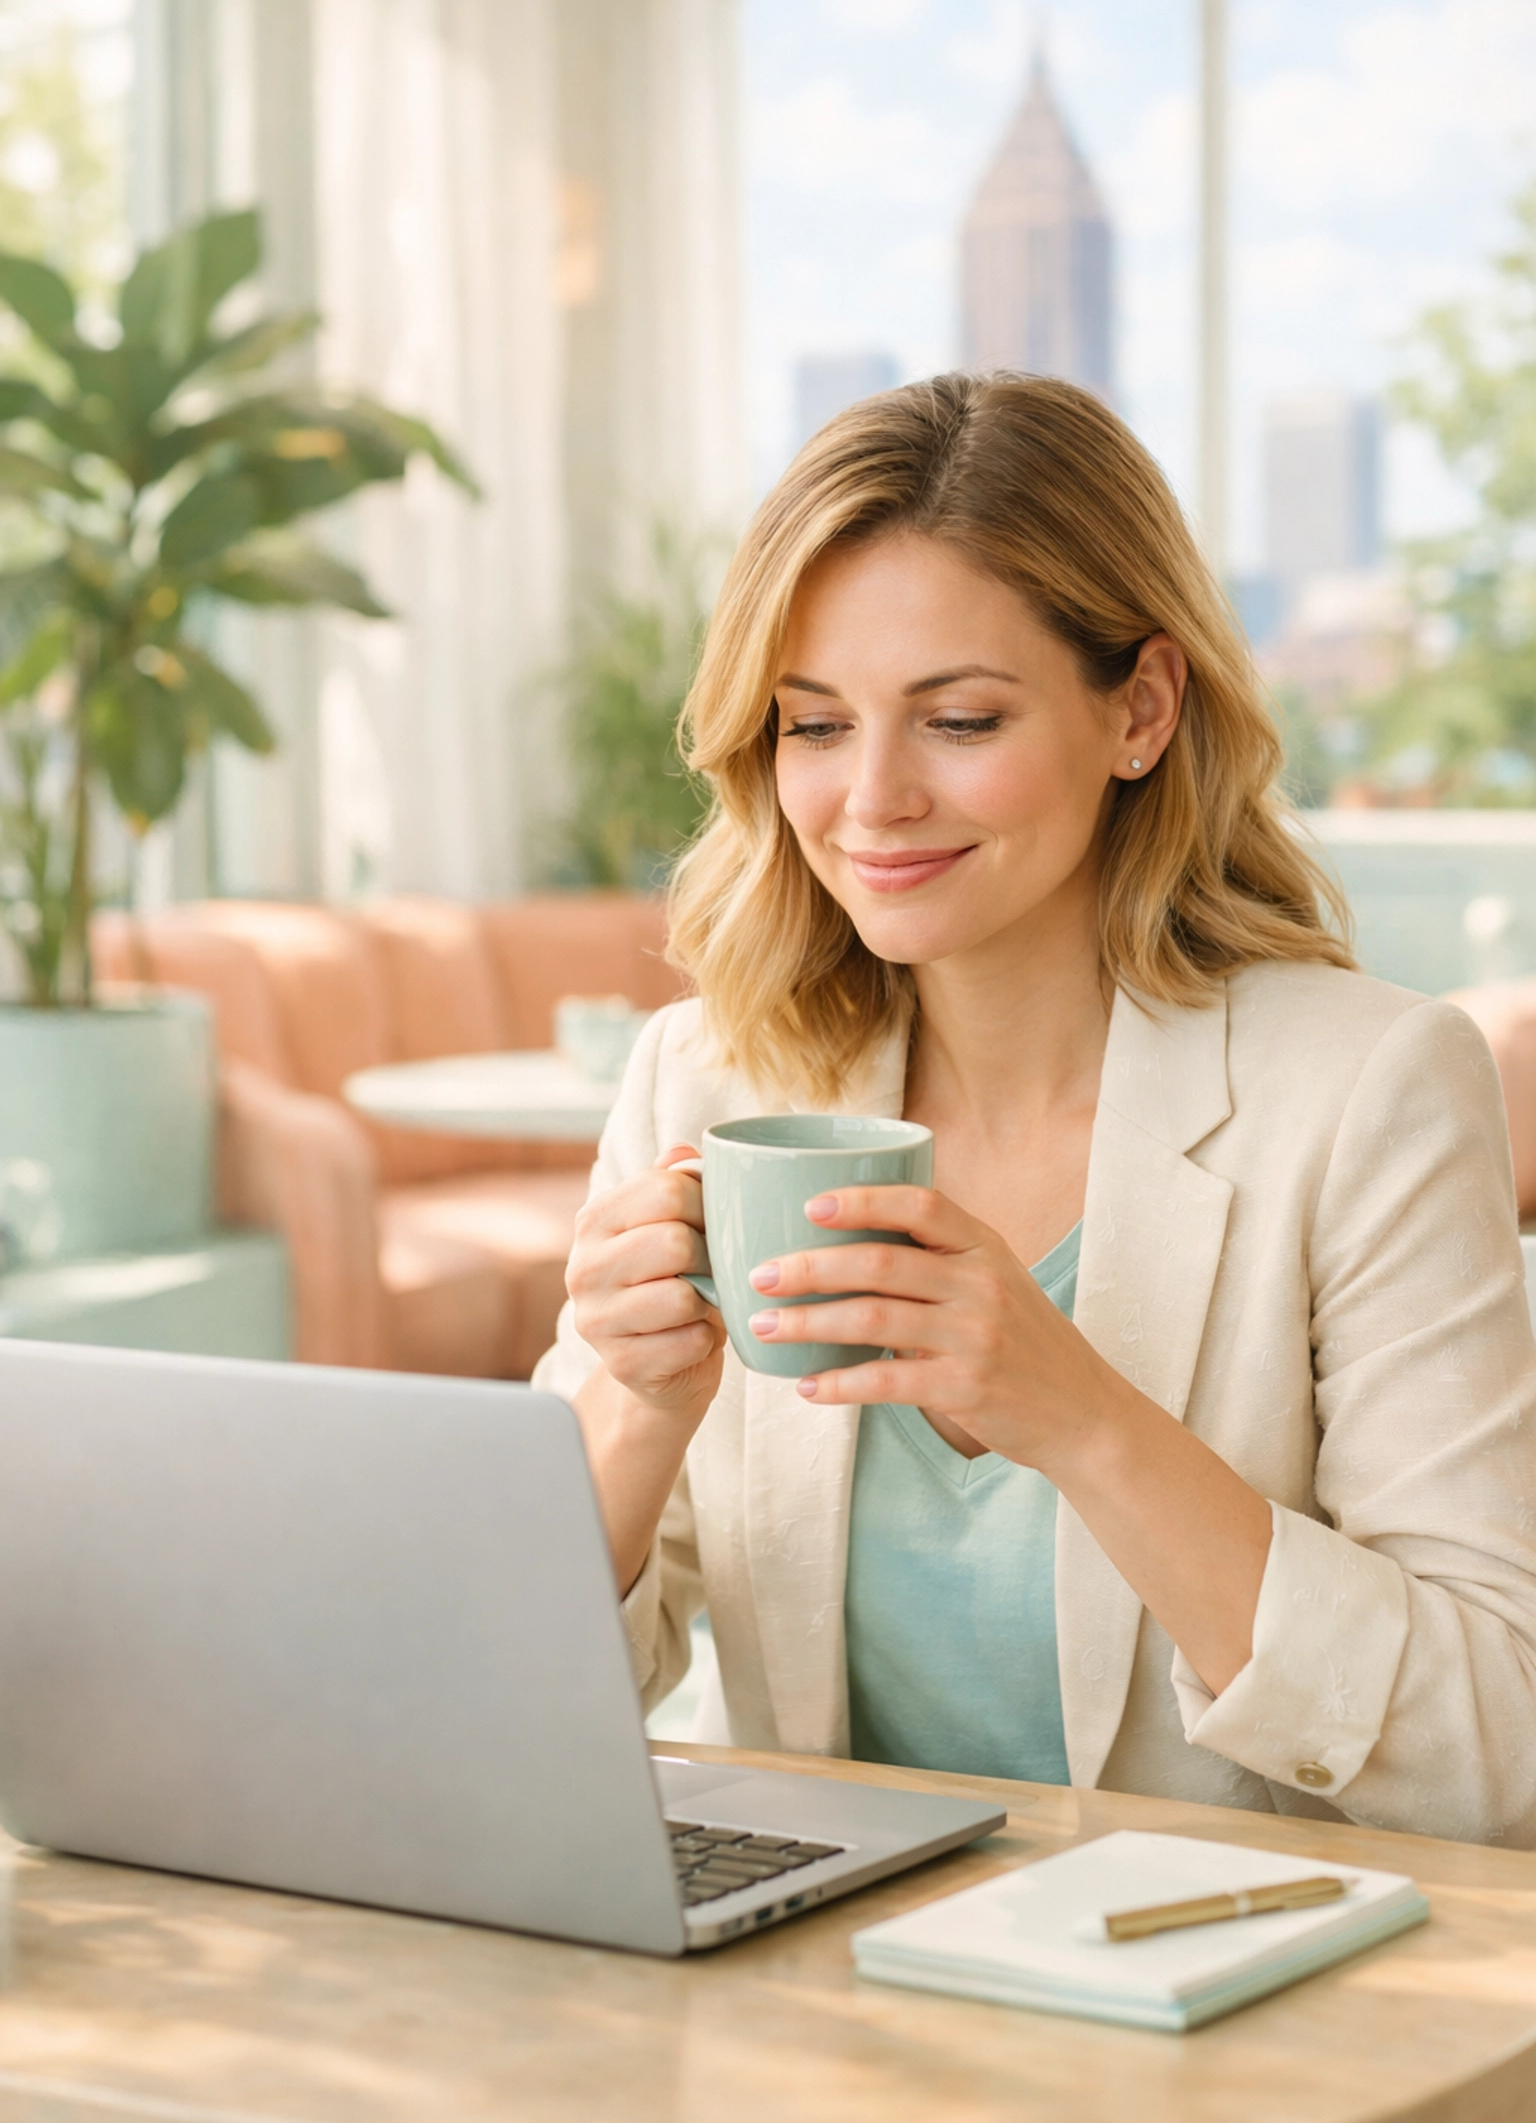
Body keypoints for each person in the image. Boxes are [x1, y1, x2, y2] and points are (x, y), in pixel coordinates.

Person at [535, 373, 1536, 1845]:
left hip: (1219, 1999)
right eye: (813, 727)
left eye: (958, 719)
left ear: (1138, 707)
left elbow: (1498, 1752)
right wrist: (634, 1418)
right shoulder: (708, 1083)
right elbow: (514, 1710)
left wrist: (1082, 1421)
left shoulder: (1369, 1093)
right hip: (811, 2009)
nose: (870, 799)